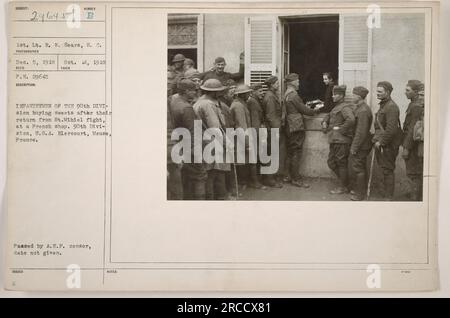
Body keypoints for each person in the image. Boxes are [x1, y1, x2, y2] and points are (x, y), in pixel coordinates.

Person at [193, 79, 231, 200]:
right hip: (211, 142)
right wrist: (227, 143)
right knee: (213, 173)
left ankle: (219, 196)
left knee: (212, 172)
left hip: (203, 141)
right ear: (213, 92)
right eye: (218, 92)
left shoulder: (199, 102)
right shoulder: (208, 104)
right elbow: (215, 127)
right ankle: (215, 198)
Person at [170, 79, 207, 200]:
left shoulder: (173, 102)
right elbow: (193, 132)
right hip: (190, 148)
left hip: (179, 146)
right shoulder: (186, 108)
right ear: (186, 91)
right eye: (193, 90)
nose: (196, 93)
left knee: (185, 178)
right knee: (200, 176)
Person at [284, 73, 320, 188]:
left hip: (289, 125)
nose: (299, 82)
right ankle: (296, 179)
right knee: (296, 152)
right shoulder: (293, 95)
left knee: (290, 151)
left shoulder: (286, 94)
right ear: (292, 82)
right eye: (297, 81)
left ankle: (287, 176)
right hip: (296, 126)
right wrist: (315, 110)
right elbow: (303, 110)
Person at [230, 84, 265, 189]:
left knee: (247, 160)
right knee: (248, 160)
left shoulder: (241, 103)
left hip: (243, 135)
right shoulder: (238, 106)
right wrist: (247, 142)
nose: (249, 94)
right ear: (242, 94)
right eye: (247, 93)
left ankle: (246, 182)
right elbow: (242, 125)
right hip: (242, 136)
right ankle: (250, 182)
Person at [321, 85, 355, 194]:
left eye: (335, 94)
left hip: (341, 141)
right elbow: (329, 115)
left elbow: (351, 120)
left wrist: (341, 130)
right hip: (335, 140)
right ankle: (347, 184)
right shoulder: (336, 107)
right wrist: (325, 121)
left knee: (341, 163)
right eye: (333, 94)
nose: (332, 96)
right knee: (331, 162)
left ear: (341, 96)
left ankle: (342, 187)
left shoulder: (345, 107)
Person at [372, 81, 403, 200]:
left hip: (388, 145)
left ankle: (388, 196)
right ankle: (385, 192)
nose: (377, 94)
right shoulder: (384, 105)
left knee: (387, 169)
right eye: (377, 91)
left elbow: (391, 129)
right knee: (384, 168)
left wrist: (381, 142)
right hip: (383, 143)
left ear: (388, 92)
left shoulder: (391, 107)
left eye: (380, 92)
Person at [402, 80, 424, 200]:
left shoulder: (416, 106)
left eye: (408, 90)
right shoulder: (413, 104)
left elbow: (411, 130)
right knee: (413, 170)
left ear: (415, 92)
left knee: (413, 171)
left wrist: (406, 148)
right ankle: (414, 195)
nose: (405, 93)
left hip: (413, 145)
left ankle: (415, 197)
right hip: (411, 143)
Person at [349, 86, 373, 201]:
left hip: (362, 145)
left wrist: (354, 147)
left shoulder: (363, 110)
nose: (352, 97)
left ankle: (360, 194)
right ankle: (360, 190)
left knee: (358, 168)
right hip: (362, 144)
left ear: (358, 97)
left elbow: (361, 132)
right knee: (360, 167)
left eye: (353, 95)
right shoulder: (360, 108)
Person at [262, 76, 284, 187]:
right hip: (272, 129)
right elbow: (271, 116)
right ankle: (269, 179)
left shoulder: (271, 95)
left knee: (272, 153)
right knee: (271, 154)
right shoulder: (270, 97)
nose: (278, 85)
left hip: (273, 128)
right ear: (271, 85)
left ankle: (271, 177)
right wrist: (277, 130)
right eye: (276, 83)